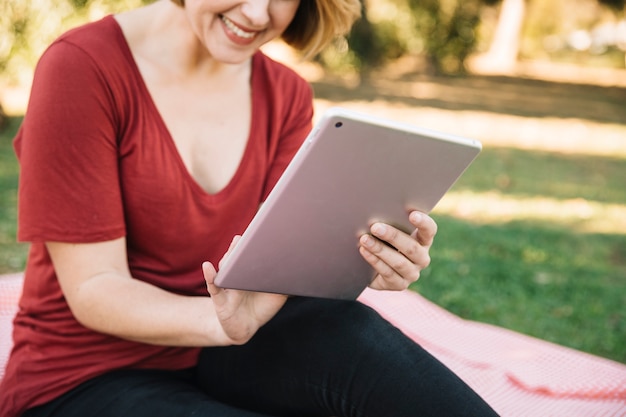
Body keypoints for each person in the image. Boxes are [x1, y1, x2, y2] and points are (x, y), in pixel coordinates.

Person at [0, 0, 499, 416]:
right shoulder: (82, 66)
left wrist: (368, 261)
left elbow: (282, 254)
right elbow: (93, 290)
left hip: (228, 350)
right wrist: (220, 323)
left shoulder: (285, 94)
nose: (259, 13)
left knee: (358, 336)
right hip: (84, 378)